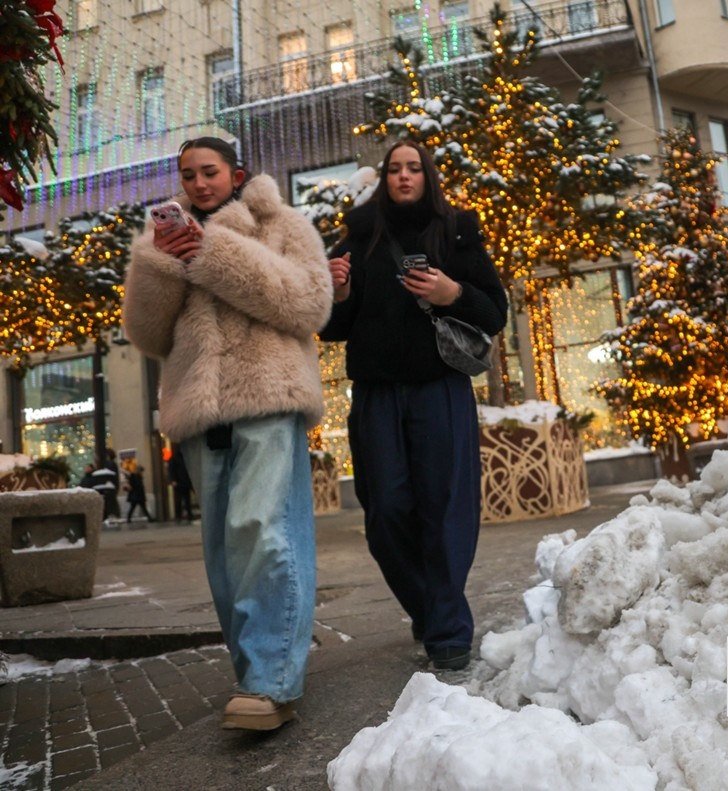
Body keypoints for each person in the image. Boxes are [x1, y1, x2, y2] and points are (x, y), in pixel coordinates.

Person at [122, 137, 332, 731]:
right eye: (187, 174)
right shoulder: (160, 240)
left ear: (236, 173)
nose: (198, 183)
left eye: (209, 172)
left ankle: (271, 680)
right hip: (198, 412)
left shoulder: (283, 223)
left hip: (268, 395)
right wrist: (164, 263)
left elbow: (310, 305)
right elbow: (147, 334)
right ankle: (256, 678)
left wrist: (213, 254)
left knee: (262, 530)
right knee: (222, 554)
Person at [320, 140, 507, 672]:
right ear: (384, 178)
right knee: (386, 513)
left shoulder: (457, 230)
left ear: (428, 176)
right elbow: (334, 329)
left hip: (440, 388)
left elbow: (494, 312)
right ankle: (428, 607)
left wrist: (453, 293)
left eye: (414, 168)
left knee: (447, 507)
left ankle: (448, 629)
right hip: (377, 394)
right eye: (395, 169)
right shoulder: (359, 235)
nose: (404, 176)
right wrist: (336, 294)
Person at [167, 450, 195, 522]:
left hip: (183, 481)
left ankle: (188, 514)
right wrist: (173, 480)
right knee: (180, 499)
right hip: (179, 482)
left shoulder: (183, 458)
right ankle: (179, 515)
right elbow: (171, 470)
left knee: (186, 499)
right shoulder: (175, 458)